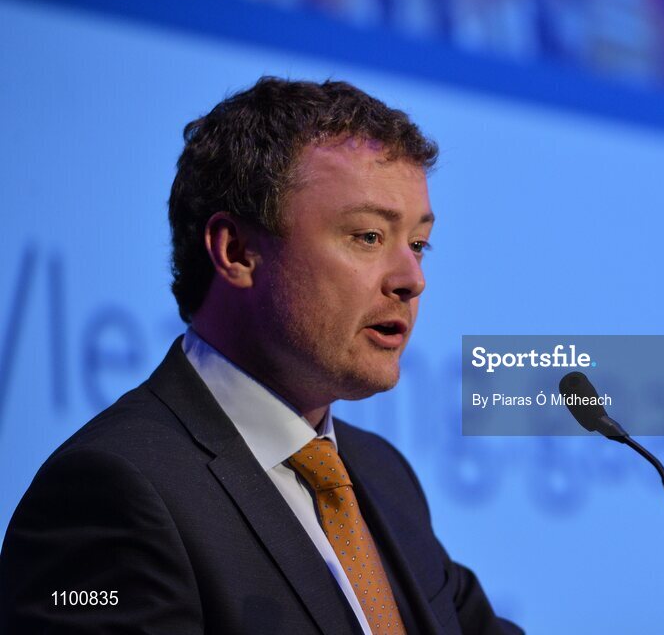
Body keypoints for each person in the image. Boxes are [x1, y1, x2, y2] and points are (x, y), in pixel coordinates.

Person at [0, 77, 522, 635]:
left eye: (417, 244)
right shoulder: (112, 492)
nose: (411, 279)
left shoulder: (381, 476)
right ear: (237, 251)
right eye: (369, 236)